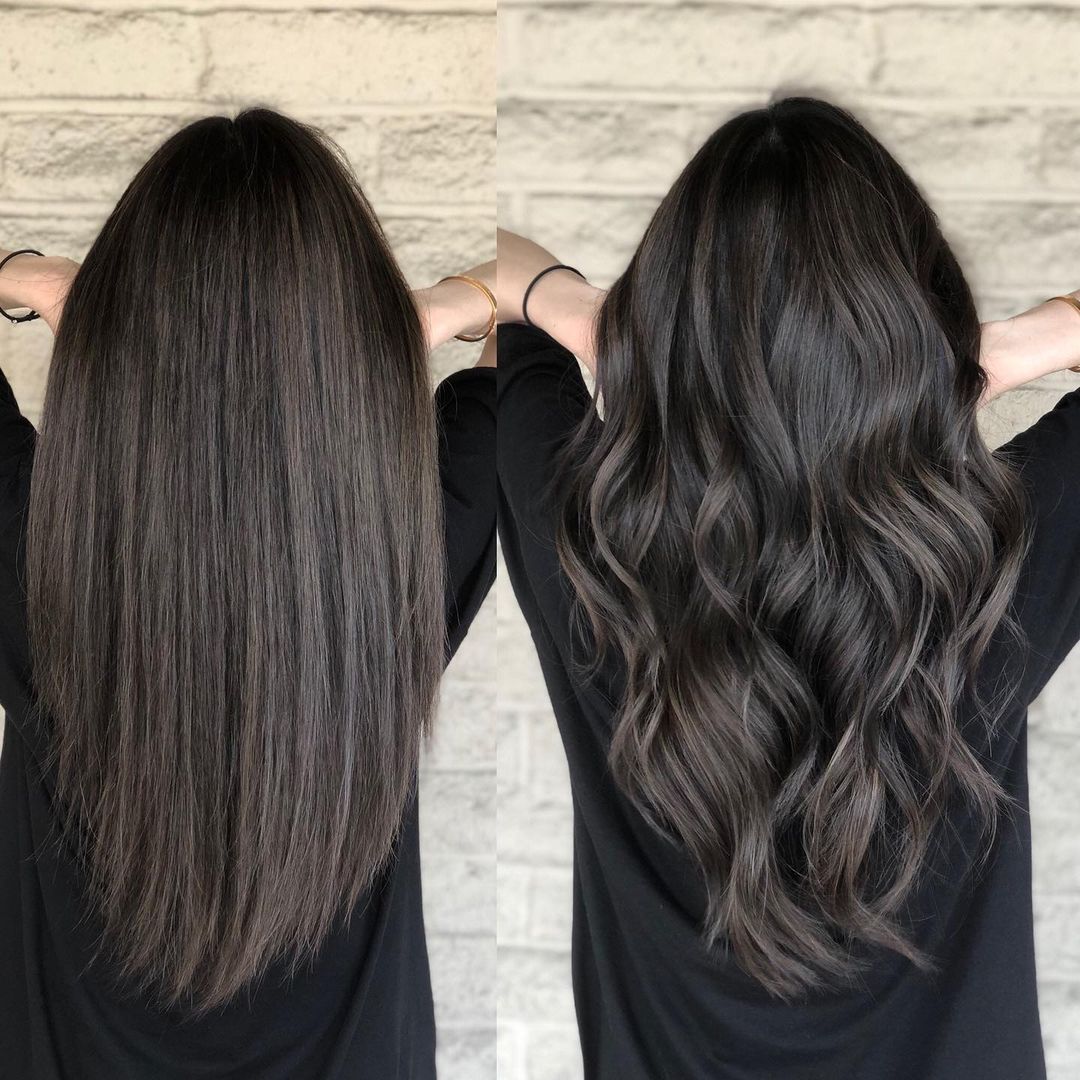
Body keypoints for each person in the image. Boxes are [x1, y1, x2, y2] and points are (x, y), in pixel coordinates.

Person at [496, 96, 1079, 1080]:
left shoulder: (576, 528)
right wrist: (1019, 343)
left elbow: (500, 267)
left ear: (665, 318)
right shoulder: (999, 551)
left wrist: (593, 321)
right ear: (919, 317)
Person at [0, 107, 496, 1080]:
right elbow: (522, 324)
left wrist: (37, 280)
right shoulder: (403, 560)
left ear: (113, 341)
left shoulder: (32, 550)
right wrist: (435, 309)